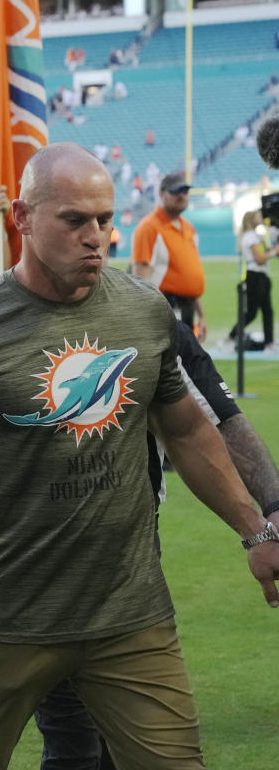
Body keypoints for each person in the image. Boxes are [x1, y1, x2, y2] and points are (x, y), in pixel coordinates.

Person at [0, 143, 279, 768]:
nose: (96, 237)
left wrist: (256, 530)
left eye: (105, 219)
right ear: (22, 217)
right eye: (74, 220)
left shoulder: (144, 311)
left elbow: (188, 434)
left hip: (131, 618)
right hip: (4, 619)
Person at [36, 313, 279, 769]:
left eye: (101, 233)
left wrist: (270, 513)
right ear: (24, 234)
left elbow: (214, 422)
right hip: (31, 582)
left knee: (157, 750)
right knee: (74, 749)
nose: (95, 238)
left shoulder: (145, 317)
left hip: (132, 575)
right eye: (75, 232)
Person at [132, 171, 206, 339]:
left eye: (185, 191)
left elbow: (189, 278)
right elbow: (140, 278)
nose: (182, 195)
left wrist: (201, 315)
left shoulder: (189, 228)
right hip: (165, 308)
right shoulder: (149, 228)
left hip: (187, 307)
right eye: (175, 191)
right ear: (161, 194)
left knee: (185, 361)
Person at [228, 208, 276, 349]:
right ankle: (231, 337)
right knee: (251, 313)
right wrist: (274, 252)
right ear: (251, 220)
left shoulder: (254, 235)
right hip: (255, 276)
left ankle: (269, 343)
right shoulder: (250, 237)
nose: (261, 217)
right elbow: (259, 259)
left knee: (267, 310)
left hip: (261, 275)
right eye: (257, 216)